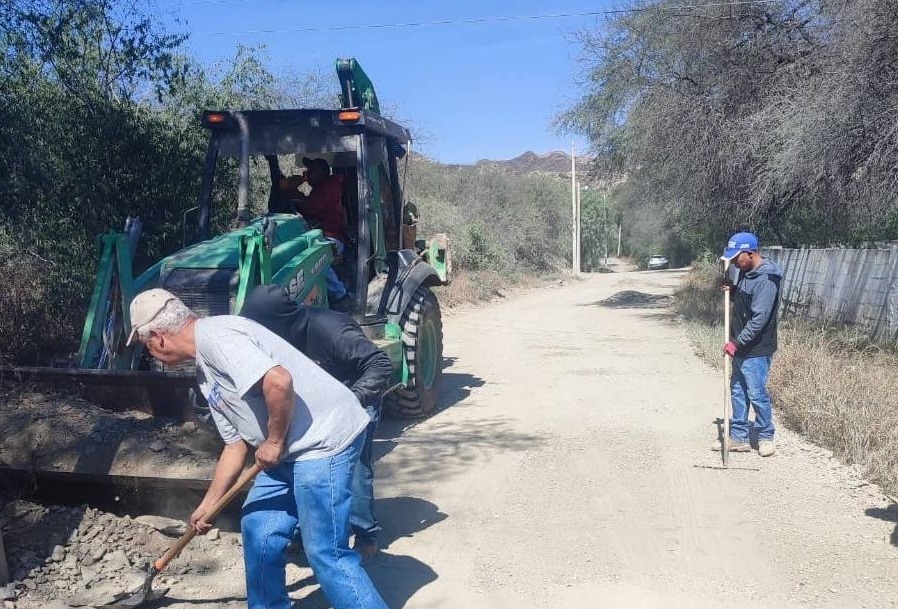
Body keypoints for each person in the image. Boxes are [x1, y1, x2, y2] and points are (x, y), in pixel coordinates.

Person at [125, 288, 388, 609]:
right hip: (287, 448)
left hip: (323, 441)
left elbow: (278, 381)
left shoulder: (219, 338)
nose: (150, 353)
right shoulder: (204, 369)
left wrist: (275, 441)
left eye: (145, 345)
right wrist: (208, 504)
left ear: (159, 338)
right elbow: (235, 445)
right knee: (259, 528)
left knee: (325, 551)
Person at [242, 284, 394, 560]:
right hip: (319, 407)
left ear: (278, 321)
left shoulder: (332, 331)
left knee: (356, 468)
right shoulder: (276, 337)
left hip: (357, 399)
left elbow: (380, 365)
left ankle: (364, 533)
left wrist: (350, 399)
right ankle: (304, 532)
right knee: (303, 468)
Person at [717, 231, 783, 457]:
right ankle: (739, 437)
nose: (734, 262)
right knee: (738, 391)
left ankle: (766, 436)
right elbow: (746, 303)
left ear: (751, 253)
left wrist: (736, 342)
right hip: (742, 344)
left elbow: (758, 319)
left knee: (756, 393)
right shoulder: (747, 272)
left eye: (737, 257)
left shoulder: (766, 279)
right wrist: (732, 291)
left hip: (756, 347)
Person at [293, 157, 351, 311]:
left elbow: (313, 207)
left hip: (332, 237)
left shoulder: (330, 186)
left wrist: (294, 194)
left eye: (312, 170)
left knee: (315, 258)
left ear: (322, 172)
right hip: (317, 234)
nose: (307, 173)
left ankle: (341, 295)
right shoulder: (318, 189)